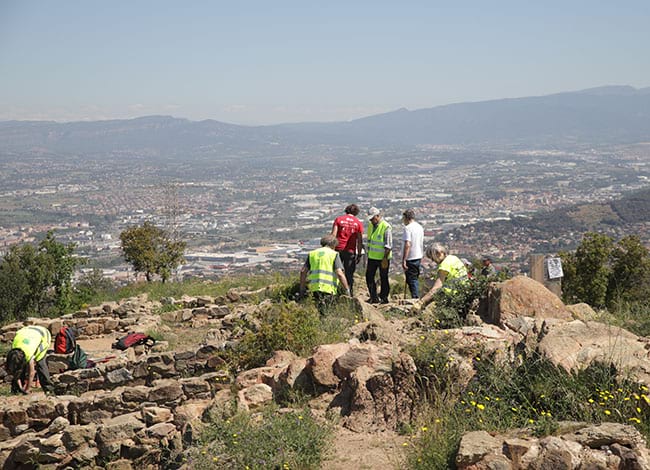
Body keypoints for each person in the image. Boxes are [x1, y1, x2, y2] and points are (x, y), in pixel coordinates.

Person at [300, 234, 350, 313]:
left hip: (313, 288)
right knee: (326, 312)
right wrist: (347, 289)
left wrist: (302, 289)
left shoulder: (312, 253)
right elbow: (340, 274)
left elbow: (303, 272)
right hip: (328, 289)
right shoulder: (334, 254)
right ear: (333, 245)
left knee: (316, 312)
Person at [5, 325, 54, 394]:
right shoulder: (14, 352)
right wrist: (21, 387)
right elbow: (16, 371)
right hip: (27, 331)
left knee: (40, 364)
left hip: (43, 335)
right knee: (19, 369)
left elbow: (32, 373)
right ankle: (16, 390)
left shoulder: (28, 353)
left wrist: (28, 389)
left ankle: (49, 389)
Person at [419, 243, 469, 308]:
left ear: (439, 253)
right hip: (464, 290)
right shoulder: (453, 258)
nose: (433, 260)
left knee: (428, 283)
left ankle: (423, 305)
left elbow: (437, 288)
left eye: (433, 258)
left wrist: (421, 302)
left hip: (452, 294)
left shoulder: (445, 265)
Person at [331, 204, 364, 294]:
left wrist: (330, 249)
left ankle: (334, 291)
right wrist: (359, 254)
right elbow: (360, 241)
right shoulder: (358, 223)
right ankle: (349, 293)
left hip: (337, 249)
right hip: (350, 251)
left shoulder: (339, 220)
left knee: (336, 271)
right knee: (349, 273)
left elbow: (333, 235)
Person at [365, 207, 392, 304]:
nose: (372, 220)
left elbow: (388, 245)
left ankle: (384, 297)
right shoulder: (371, 225)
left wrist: (385, 258)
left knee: (383, 277)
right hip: (372, 257)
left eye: (373, 218)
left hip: (382, 257)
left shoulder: (386, 226)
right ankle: (374, 297)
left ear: (378, 216)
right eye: (370, 219)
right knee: (369, 276)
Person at [401, 209, 424, 298]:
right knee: (414, 277)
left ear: (406, 218)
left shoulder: (408, 228)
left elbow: (408, 244)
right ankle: (414, 296)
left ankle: (415, 297)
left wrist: (404, 259)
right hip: (418, 255)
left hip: (411, 257)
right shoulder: (419, 227)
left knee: (411, 279)